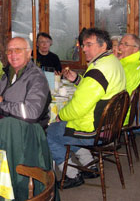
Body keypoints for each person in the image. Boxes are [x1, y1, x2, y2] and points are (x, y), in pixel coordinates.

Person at [47, 28, 126, 189]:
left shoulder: (98, 69)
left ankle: (71, 175)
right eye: (83, 45)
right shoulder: (112, 62)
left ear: (103, 45)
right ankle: (90, 165)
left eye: (88, 45)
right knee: (66, 130)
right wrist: (77, 80)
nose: (83, 49)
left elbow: (78, 108)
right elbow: (97, 90)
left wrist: (60, 116)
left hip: (94, 131)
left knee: (51, 132)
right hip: (109, 127)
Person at [0, 37, 51, 146]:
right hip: (6, 131)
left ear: (28, 53)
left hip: (28, 135)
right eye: (9, 51)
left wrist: (2, 104)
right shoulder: (7, 76)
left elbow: (32, 113)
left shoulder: (36, 77)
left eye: (18, 50)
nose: (13, 54)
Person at [118, 33, 140, 125]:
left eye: (125, 44)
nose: (120, 47)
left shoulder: (129, 69)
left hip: (119, 114)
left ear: (135, 49)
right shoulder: (131, 63)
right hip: (122, 111)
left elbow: (117, 95)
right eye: (120, 43)